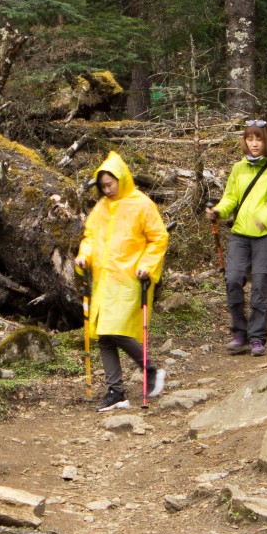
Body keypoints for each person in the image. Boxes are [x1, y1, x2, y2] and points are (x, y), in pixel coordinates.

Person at [76, 152, 168, 411]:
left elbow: (158, 237)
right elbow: (91, 237)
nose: (106, 190)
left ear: (122, 179)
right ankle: (116, 392)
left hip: (129, 277)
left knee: (115, 330)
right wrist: (84, 256)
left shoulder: (141, 204)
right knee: (104, 337)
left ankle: (151, 370)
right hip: (106, 279)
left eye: (110, 184)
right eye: (102, 186)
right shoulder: (101, 207)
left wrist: (147, 266)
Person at [207, 120, 267, 356]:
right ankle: (239, 333)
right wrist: (219, 211)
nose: (254, 144)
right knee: (233, 280)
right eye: (250, 139)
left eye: (259, 139)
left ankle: (256, 338)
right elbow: (231, 197)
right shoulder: (238, 168)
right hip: (240, 234)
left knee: (261, 287)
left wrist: (264, 216)